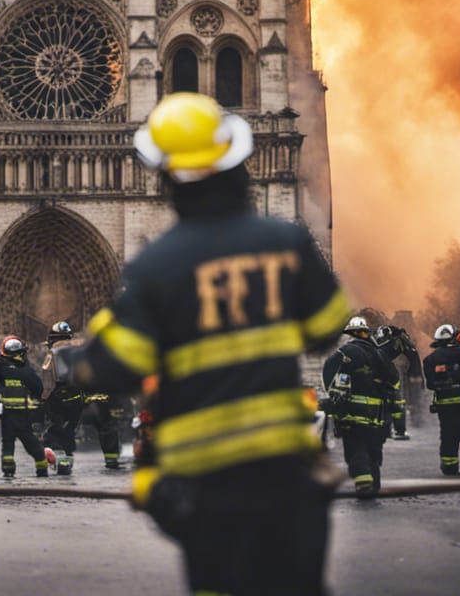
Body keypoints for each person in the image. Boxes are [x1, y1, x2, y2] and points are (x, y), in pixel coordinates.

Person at [67, 93, 350, 596]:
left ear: (167, 177)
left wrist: (86, 355)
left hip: (206, 488)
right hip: (286, 473)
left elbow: (115, 369)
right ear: (235, 163)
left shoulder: (157, 269)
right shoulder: (285, 244)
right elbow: (329, 324)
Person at [322, 316, 399, 497]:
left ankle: (364, 483)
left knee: (357, 449)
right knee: (374, 452)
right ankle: (374, 484)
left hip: (352, 415)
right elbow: (394, 382)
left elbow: (329, 379)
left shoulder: (343, 353)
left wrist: (334, 401)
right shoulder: (380, 355)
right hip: (378, 417)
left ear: (349, 335)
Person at [0, 335, 49, 478]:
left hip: (6, 414)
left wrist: (1, 361)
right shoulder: (26, 371)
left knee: (7, 443)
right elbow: (38, 388)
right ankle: (41, 468)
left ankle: (8, 470)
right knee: (30, 441)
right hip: (23, 414)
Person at [423, 324, 460, 475]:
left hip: (443, 403)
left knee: (447, 434)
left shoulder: (429, 360)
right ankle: (451, 457)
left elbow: (430, 385)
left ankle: (449, 466)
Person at [40, 320, 84, 475]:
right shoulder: (78, 352)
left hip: (58, 397)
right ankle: (66, 462)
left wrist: (43, 399)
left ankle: (53, 455)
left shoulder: (53, 354)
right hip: (77, 397)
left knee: (54, 429)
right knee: (69, 430)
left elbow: (47, 379)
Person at [374, 324, 422, 440]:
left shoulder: (394, 345)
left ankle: (390, 430)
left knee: (392, 403)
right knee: (395, 404)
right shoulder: (401, 344)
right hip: (396, 377)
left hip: (393, 377)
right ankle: (396, 430)